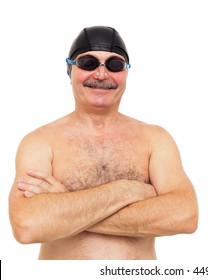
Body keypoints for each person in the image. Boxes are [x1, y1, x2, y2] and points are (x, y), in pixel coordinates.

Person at [9, 26, 198, 260]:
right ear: (70, 70)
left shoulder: (155, 139)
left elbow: (185, 215)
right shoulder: (40, 142)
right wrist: (126, 190)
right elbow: (27, 226)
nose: (100, 74)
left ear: (126, 73)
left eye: (114, 64)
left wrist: (65, 206)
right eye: (88, 62)